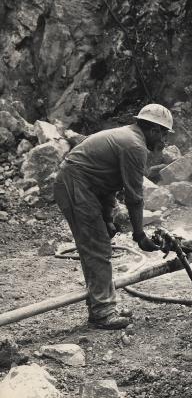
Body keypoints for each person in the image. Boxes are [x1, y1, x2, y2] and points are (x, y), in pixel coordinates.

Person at [53, 104, 173, 329]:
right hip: (75, 185)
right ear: (154, 130)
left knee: (99, 241)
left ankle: (103, 301)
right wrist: (139, 236)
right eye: (164, 133)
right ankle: (103, 312)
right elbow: (134, 197)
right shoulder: (134, 145)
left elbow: (109, 185)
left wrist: (108, 218)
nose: (165, 140)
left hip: (84, 185)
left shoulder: (127, 137)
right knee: (97, 246)